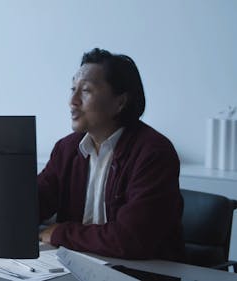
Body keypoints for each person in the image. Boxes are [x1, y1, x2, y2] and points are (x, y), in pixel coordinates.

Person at [38, 48, 184, 261]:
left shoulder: (153, 153)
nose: (73, 100)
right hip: (77, 266)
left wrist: (60, 233)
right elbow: (36, 200)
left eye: (86, 90)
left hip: (144, 271)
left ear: (120, 102)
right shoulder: (67, 149)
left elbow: (131, 239)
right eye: (73, 89)